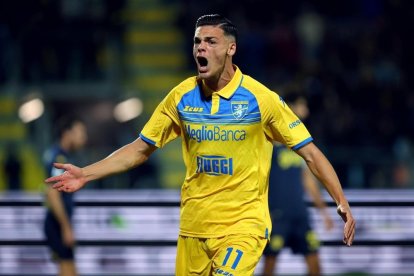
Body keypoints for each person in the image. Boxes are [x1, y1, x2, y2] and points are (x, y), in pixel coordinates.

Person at [45, 14, 355, 276]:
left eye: (210, 42)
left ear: (231, 48)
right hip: (193, 229)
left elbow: (310, 153)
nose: (200, 48)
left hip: (242, 227)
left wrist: (340, 200)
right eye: (197, 42)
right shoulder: (181, 97)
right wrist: (86, 173)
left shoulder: (262, 100)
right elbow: (140, 149)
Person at [262, 94, 334, 276]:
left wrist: (324, 211)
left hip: (299, 214)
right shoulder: (271, 138)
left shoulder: (300, 144)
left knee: (315, 264)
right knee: (270, 264)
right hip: (277, 215)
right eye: (303, 106)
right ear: (290, 108)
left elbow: (307, 180)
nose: (306, 112)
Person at [43, 115, 88, 276]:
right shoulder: (59, 159)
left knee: (70, 269)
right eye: (80, 132)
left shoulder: (60, 155)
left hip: (59, 222)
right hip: (57, 223)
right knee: (67, 270)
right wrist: (66, 227)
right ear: (67, 133)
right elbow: (53, 194)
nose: (84, 138)